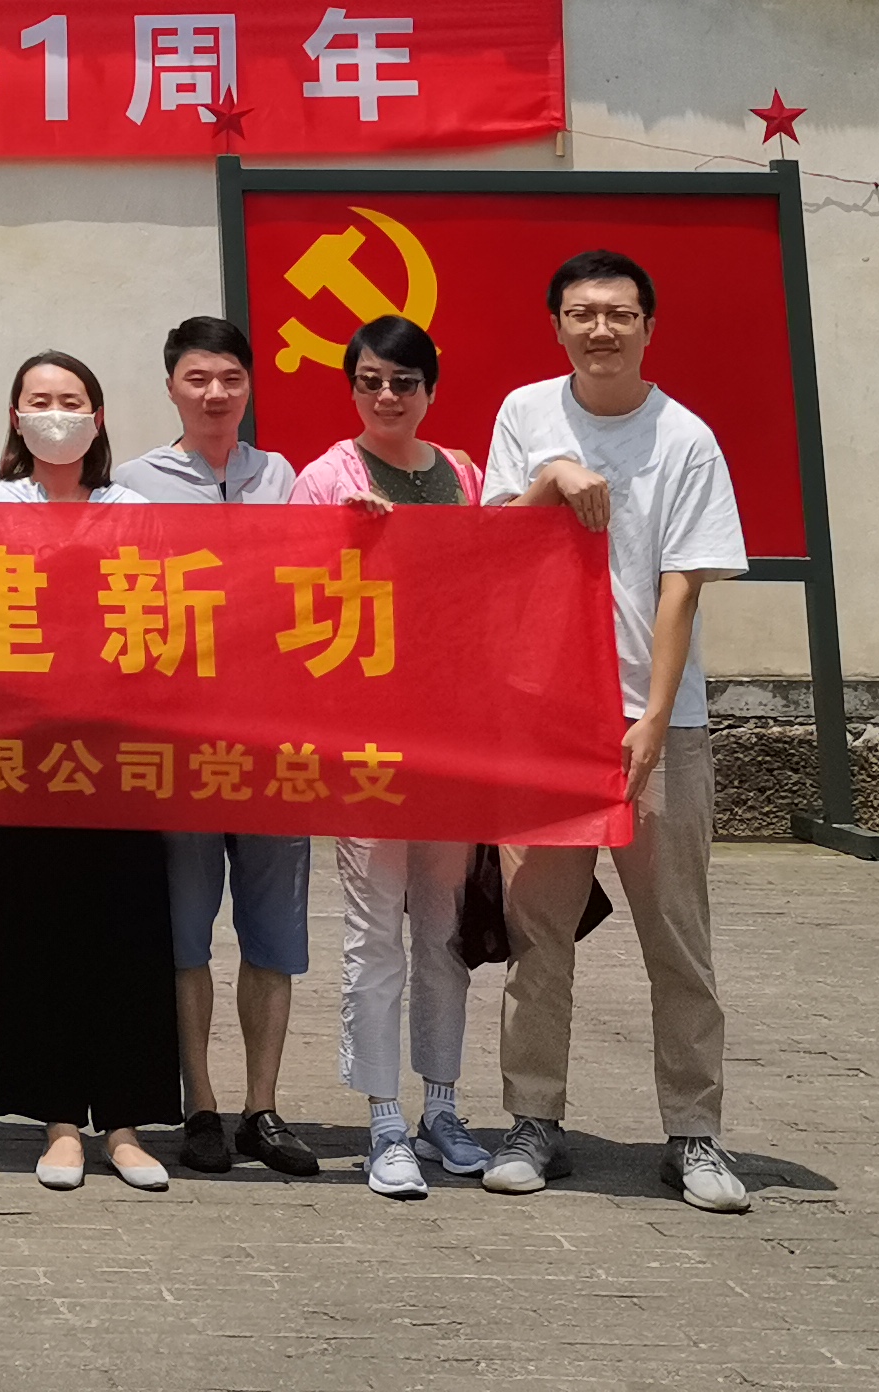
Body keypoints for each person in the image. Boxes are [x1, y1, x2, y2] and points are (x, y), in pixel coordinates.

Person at [482, 248, 754, 1216]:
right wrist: (552, 475)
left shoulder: (685, 437)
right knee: (538, 936)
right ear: (557, 324)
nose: (601, 329)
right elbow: (496, 546)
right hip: (546, 719)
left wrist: (652, 718)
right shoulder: (526, 413)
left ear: (648, 326)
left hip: (657, 725)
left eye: (620, 314)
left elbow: (681, 589)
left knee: (676, 938)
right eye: (583, 313)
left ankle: (694, 1134)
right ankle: (533, 1121)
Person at [107, 315, 321, 1182]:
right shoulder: (130, 486)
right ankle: (198, 1104)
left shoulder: (285, 478)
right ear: (170, 387)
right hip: (179, 746)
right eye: (198, 378)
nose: (215, 393)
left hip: (273, 743)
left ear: (249, 386)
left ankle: (261, 1107)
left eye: (230, 377)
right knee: (184, 935)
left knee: (273, 936)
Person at [291, 314, 490, 1197]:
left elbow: (497, 583)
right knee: (374, 934)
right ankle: (382, 1118)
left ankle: (441, 1105)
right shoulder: (325, 479)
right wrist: (343, 542)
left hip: (453, 734)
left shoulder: (465, 476)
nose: (386, 396)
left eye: (404, 382)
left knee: (444, 930)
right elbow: (288, 598)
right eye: (370, 380)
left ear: (430, 390)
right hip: (367, 734)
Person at [0, 353, 178, 1193]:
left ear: (97, 418)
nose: (55, 413)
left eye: (71, 400)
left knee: (128, 931)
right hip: (26, 753)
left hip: (121, 751)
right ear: (16, 417)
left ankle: (124, 1123)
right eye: (39, 400)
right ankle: (59, 1121)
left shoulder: (134, 510)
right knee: (39, 931)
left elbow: (161, 624)